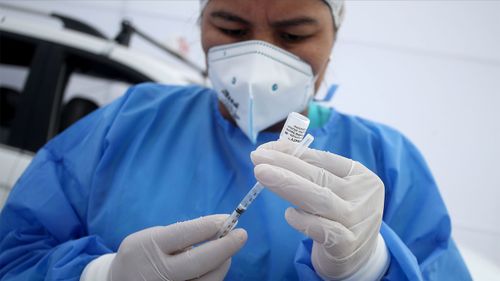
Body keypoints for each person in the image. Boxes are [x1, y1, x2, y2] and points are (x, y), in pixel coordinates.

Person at [0, 0, 472, 280]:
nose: (258, 58)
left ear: (333, 38)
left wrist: (370, 265)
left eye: (292, 34)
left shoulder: (387, 161)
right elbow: (14, 255)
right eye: (231, 29)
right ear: (202, 24)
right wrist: (102, 275)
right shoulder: (129, 123)